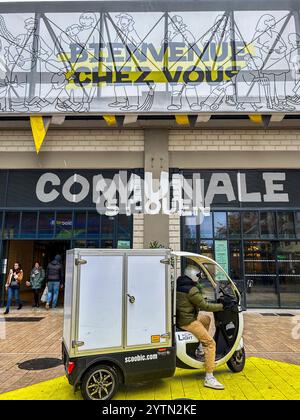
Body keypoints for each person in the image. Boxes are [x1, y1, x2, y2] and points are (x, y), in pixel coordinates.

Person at [176, 264, 225, 390]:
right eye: (198, 275)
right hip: (188, 321)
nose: (199, 277)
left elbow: (195, 302)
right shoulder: (192, 290)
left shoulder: (180, 285)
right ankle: (209, 377)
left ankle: (199, 348)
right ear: (193, 275)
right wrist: (222, 306)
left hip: (183, 317)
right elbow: (205, 306)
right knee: (210, 343)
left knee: (206, 319)